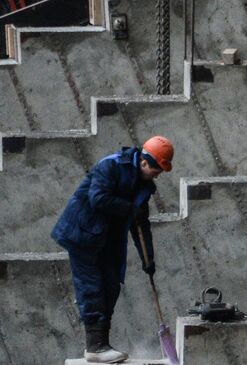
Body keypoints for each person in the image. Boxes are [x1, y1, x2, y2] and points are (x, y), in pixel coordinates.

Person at [51, 136, 174, 362]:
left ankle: (101, 345)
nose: (158, 175)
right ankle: (95, 347)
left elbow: (141, 225)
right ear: (145, 163)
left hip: (106, 240)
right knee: (92, 288)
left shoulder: (145, 186)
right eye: (157, 169)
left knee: (111, 286)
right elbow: (98, 198)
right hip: (82, 234)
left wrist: (148, 260)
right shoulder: (111, 165)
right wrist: (129, 209)